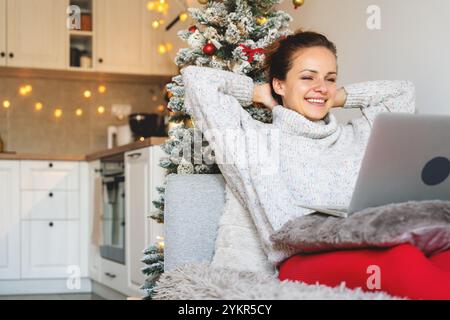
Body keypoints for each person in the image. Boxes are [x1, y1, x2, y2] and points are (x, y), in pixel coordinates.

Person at [180, 30, 450, 300]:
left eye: (330, 78)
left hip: (369, 241)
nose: (321, 86)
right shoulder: (252, 140)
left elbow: (402, 92)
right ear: (280, 84)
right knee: (402, 261)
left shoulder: (359, 134)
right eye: (307, 77)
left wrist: (336, 95)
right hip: (304, 258)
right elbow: (198, 80)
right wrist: (259, 92)